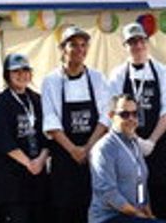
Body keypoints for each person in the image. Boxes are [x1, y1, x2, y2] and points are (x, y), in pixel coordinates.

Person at [108, 23, 166, 222]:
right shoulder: (117, 75)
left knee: (160, 190)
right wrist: (136, 140)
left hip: (158, 144)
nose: (137, 46)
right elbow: (114, 113)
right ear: (125, 46)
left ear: (147, 43)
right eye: (132, 42)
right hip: (127, 145)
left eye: (140, 41)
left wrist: (152, 141)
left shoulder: (162, 71)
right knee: (131, 192)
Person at [41, 25, 111, 223]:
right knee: (64, 210)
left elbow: (106, 116)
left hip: (94, 155)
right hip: (64, 156)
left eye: (83, 45)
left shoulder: (97, 78)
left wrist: (88, 148)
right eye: (73, 45)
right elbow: (51, 120)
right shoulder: (51, 81)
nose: (79, 49)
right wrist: (73, 150)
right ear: (63, 49)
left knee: (92, 208)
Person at [0, 53, 50, 223]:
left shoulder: (38, 100)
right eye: (15, 71)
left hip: (38, 179)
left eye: (25, 70)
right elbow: (1, 139)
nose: (21, 75)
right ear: (7, 75)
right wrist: (29, 163)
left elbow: (49, 134)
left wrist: (41, 160)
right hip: (11, 183)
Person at [89, 94, 166, 223]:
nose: (131, 119)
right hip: (109, 217)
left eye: (135, 114)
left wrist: (149, 215)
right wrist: (137, 213)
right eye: (125, 114)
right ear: (111, 116)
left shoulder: (134, 143)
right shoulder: (103, 148)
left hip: (132, 215)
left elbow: (141, 184)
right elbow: (108, 193)